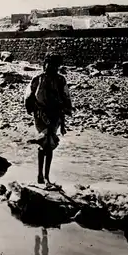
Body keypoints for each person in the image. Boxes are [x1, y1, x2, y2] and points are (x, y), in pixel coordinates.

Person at [24, 53, 73, 185]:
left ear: (57, 66)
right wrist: (32, 108)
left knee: (50, 144)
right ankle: (41, 175)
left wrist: (65, 114)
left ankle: (45, 176)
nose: (50, 67)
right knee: (43, 142)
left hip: (55, 115)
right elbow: (29, 95)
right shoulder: (37, 78)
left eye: (54, 65)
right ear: (45, 64)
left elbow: (66, 96)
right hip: (41, 114)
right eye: (48, 64)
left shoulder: (61, 80)